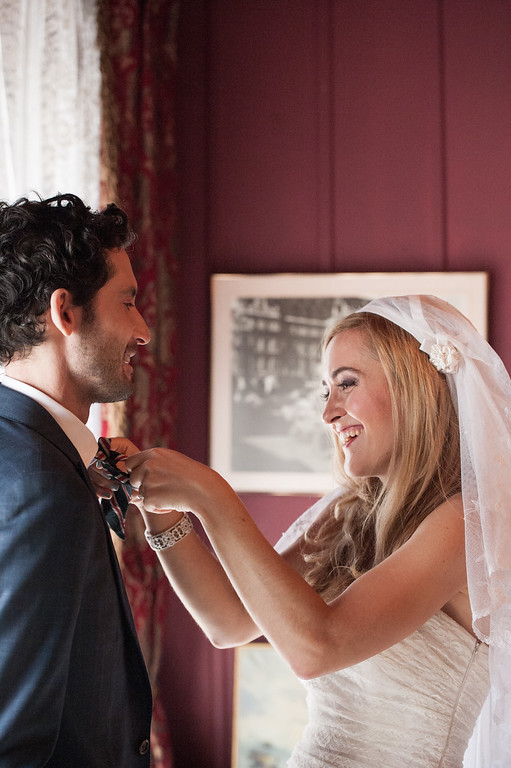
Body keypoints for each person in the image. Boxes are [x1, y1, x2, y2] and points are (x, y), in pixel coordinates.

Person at [97, 295, 510, 766]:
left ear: (413, 387)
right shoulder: (348, 512)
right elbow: (228, 621)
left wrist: (211, 493)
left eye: (346, 384)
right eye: (325, 391)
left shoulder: (469, 524)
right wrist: (162, 506)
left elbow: (318, 645)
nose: (328, 413)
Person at [0, 194, 153, 766]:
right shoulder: (40, 485)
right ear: (65, 312)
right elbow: (13, 735)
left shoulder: (31, 456)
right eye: (129, 302)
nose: (143, 330)